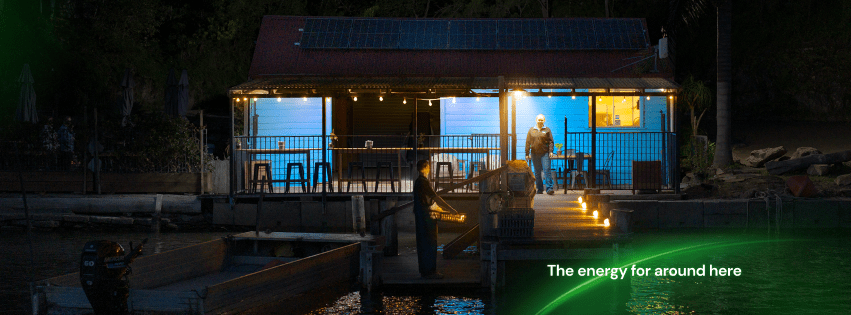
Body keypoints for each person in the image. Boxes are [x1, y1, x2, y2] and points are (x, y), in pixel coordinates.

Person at [412, 159, 458, 279]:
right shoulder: (423, 182)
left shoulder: (418, 181)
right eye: (429, 166)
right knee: (430, 243)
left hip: (421, 216)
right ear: (426, 167)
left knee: (423, 243)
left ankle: (425, 271)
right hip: (426, 217)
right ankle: (430, 272)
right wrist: (450, 209)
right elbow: (435, 197)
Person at [525, 114, 555, 195]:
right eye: (539, 119)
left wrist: (551, 151)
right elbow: (528, 142)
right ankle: (540, 189)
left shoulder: (547, 130)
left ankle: (549, 189)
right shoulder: (531, 130)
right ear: (536, 120)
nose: (540, 121)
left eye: (542, 120)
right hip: (534, 154)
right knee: (537, 172)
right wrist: (527, 153)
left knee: (547, 171)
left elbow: (551, 141)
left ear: (544, 120)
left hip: (545, 153)